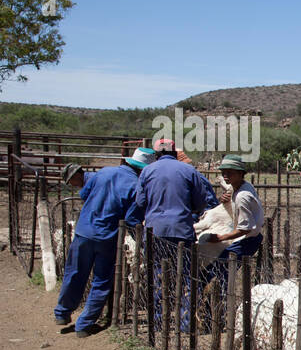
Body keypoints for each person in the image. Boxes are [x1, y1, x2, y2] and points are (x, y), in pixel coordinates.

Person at [53, 150, 150, 335]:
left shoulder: (103, 172)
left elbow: (84, 194)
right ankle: (84, 325)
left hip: (84, 231)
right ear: (142, 170)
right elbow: (131, 219)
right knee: (102, 281)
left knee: (74, 272)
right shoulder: (136, 186)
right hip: (107, 237)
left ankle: (62, 313)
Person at [135, 138, 218, 326]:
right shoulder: (189, 171)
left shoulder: (147, 171)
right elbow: (201, 202)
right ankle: (186, 322)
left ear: (156, 154)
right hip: (182, 230)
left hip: (155, 231)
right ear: (174, 153)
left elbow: (140, 202)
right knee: (187, 277)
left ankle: (157, 321)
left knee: (157, 274)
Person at [200, 156, 264, 298]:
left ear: (241, 174)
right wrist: (225, 198)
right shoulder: (240, 186)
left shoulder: (242, 197)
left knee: (218, 271)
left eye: (230, 172)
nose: (226, 176)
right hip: (247, 237)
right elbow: (228, 187)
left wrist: (220, 238)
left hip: (247, 240)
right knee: (216, 270)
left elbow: (245, 228)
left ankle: (220, 305)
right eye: (224, 172)